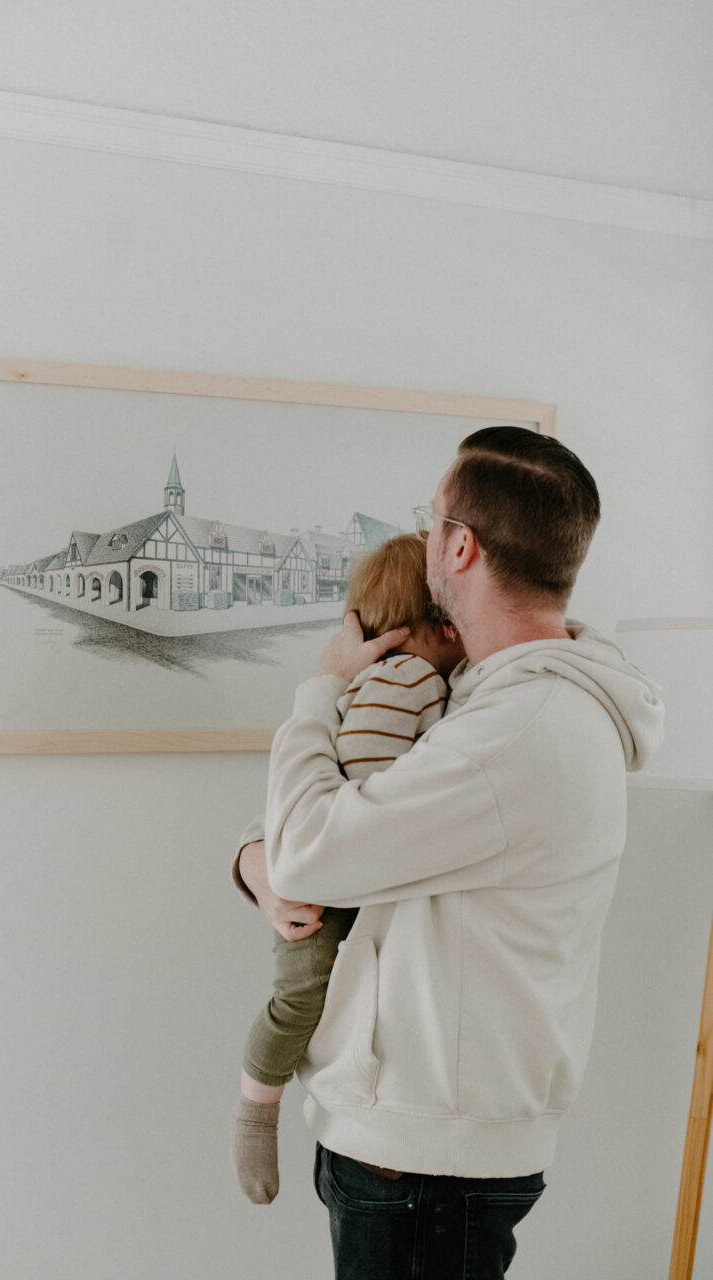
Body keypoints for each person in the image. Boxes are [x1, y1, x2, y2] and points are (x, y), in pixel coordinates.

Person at [234, 427, 663, 1279]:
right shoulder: (480, 698)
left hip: (425, 1160)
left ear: (458, 546)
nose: (426, 537)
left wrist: (321, 684)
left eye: (432, 521)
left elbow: (318, 846)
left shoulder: (515, 730)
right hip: (412, 1144)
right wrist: (256, 860)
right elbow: (348, 829)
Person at [230, 535, 465, 1204]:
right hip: (321, 891)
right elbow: (353, 775)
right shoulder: (410, 679)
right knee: (298, 998)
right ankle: (253, 1110)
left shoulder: (380, 680)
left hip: (322, 878)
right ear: (430, 624)